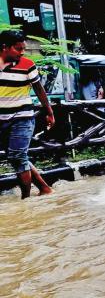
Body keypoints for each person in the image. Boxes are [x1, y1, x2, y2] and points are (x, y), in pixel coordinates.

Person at [0, 30, 55, 199]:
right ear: (4, 48)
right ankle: (45, 188)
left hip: (22, 116)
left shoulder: (27, 64)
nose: (22, 52)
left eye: (23, 48)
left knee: (17, 155)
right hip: (1, 118)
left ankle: (25, 199)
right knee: (16, 156)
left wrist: (49, 112)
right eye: (18, 48)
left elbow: (39, 89)